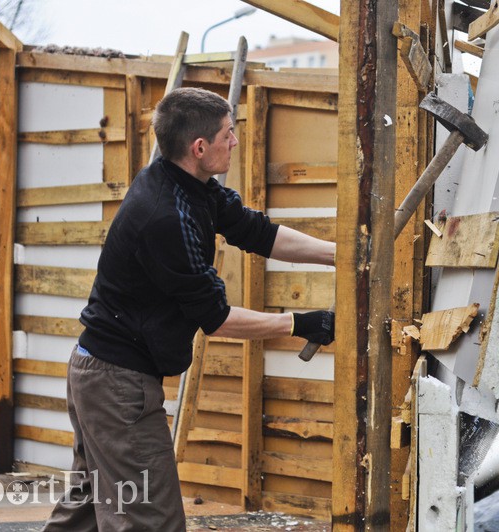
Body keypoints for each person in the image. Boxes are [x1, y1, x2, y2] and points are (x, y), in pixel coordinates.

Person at [43, 87, 335, 531]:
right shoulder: (165, 217)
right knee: (150, 520)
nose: (235, 142)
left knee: (85, 515)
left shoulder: (188, 185)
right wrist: (298, 321)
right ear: (200, 148)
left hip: (100, 373)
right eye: (228, 135)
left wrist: (340, 254)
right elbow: (214, 319)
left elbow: (258, 232)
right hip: (117, 386)